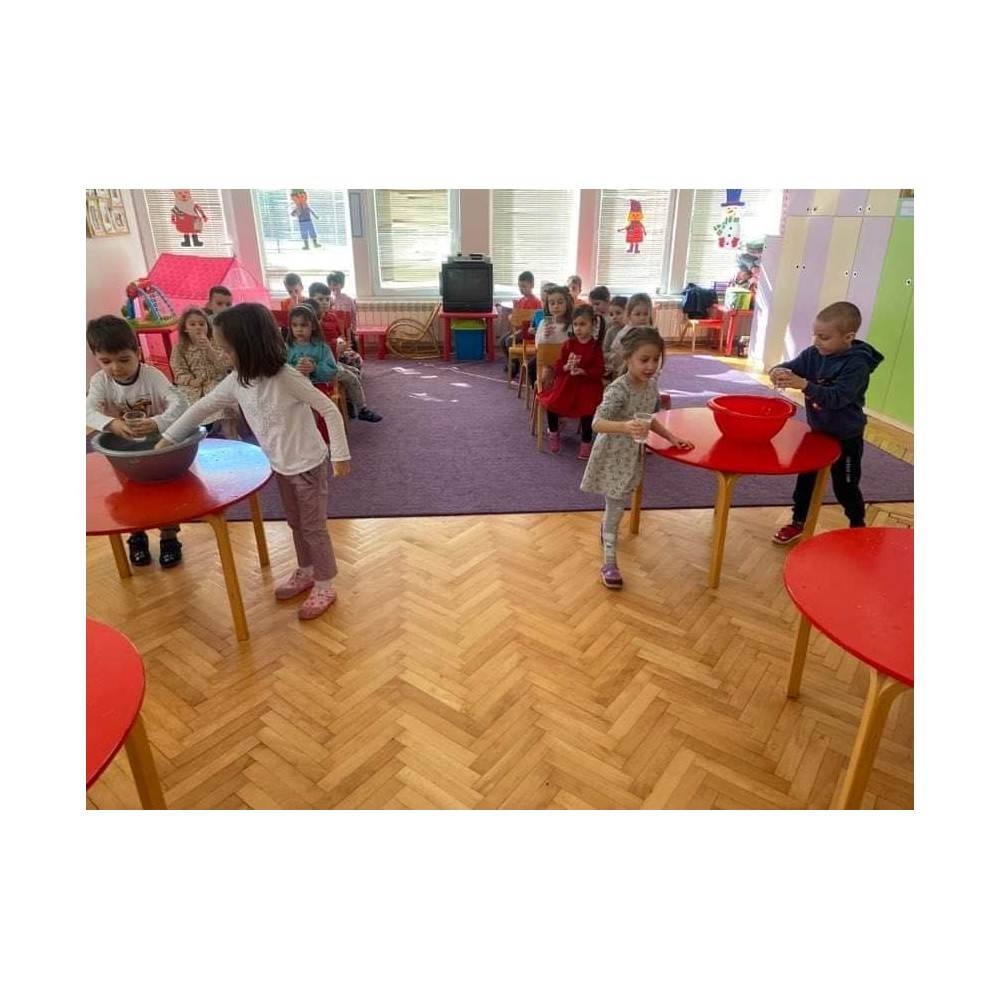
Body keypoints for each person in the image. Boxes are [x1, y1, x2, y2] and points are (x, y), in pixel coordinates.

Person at [157, 304, 350, 620]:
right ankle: (307, 570)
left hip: (308, 464)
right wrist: (167, 439)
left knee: (313, 527)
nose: (224, 357)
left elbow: (328, 409)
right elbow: (202, 407)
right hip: (281, 465)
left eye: (228, 350)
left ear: (248, 347)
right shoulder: (238, 380)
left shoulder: (286, 377)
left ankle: (325, 583)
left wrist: (340, 455)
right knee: (295, 523)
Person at [580, 326, 693, 589]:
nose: (651, 366)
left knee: (617, 502)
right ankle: (609, 562)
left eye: (656, 359)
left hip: (632, 456)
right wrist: (625, 426)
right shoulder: (618, 389)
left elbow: (648, 418)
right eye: (644, 359)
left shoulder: (651, 385)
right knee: (617, 505)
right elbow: (597, 423)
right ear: (627, 358)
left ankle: (606, 528)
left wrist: (671, 437)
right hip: (613, 455)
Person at [769, 301, 883, 543]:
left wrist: (804, 385)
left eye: (824, 337)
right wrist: (777, 370)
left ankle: (857, 525)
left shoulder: (858, 364)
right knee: (806, 480)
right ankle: (798, 521)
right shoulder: (813, 354)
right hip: (818, 433)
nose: (817, 341)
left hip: (847, 436)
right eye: (815, 335)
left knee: (846, 486)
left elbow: (837, 398)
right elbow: (791, 367)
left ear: (848, 337)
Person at [86, 315, 189, 568]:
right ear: (96, 358)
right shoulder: (100, 381)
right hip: (123, 452)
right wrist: (111, 423)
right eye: (105, 361)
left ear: (138, 353)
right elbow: (87, 411)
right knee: (129, 495)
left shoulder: (152, 376)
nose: (116, 368)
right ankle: (136, 536)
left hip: (156, 447)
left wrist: (158, 422)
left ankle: (169, 537)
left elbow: (180, 402)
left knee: (162, 493)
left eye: (124, 360)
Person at [538, 304, 605, 459]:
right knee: (552, 404)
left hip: (587, 386)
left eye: (583, 324)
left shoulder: (595, 347)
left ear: (593, 324)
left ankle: (586, 443)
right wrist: (566, 367)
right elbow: (558, 366)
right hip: (567, 383)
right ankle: (553, 433)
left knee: (588, 410)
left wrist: (584, 371)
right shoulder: (569, 344)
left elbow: (599, 370)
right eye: (575, 324)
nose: (578, 328)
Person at [301, 297, 381, 421]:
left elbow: (329, 350)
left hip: (330, 364)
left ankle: (349, 403)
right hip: (322, 371)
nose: (319, 322)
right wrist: (335, 347)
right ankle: (362, 410)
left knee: (355, 371)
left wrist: (337, 346)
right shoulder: (307, 338)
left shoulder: (316, 332)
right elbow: (320, 357)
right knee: (352, 377)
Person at [170, 306, 239, 438]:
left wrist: (209, 349)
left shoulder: (216, 343)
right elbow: (179, 371)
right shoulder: (180, 348)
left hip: (215, 382)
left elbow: (225, 367)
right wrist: (191, 380)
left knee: (224, 405)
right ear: (185, 329)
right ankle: (196, 436)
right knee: (184, 405)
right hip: (192, 386)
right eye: (192, 324)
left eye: (202, 324)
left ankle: (231, 435)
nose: (198, 327)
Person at [527, 285, 573, 389]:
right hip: (549, 366)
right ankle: (543, 396)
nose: (556, 306)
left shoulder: (573, 325)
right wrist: (545, 336)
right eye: (552, 303)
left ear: (567, 303)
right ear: (547, 306)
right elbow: (538, 347)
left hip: (568, 366)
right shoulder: (544, 323)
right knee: (544, 377)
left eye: (560, 302)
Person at [500, 270, 545, 373]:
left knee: (508, 341)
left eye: (524, 286)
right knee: (502, 341)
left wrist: (520, 318)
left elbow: (536, 320)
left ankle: (515, 365)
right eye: (520, 286)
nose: (521, 289)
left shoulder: (536, 302)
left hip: (528, 331)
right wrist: (515, 310)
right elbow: (515, 318)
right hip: (518, 329)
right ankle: (513, 362)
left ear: (532, 285)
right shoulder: (521, 300)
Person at [285, 304, 338, 384]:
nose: (299, 329)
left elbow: (332, 371)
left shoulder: (322, 348)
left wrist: (314, 368)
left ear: (313, 326)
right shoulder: (287, 347)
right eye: (294, 325)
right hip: (294, 387)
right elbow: (282, 371)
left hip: (317, 388)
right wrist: (295, 369)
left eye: (303, 325)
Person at [608, 292, 654, 376]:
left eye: (645, 314)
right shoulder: (626, 331)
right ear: (629, 315)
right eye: (637, 314)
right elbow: (615, 347)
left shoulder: (651, 331)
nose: (642, 318)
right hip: (626, 369)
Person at [326, 271, 359, 352]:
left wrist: (354, 331)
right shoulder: (328, 299)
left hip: (347, 330)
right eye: (330, 284)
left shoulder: (348, 299)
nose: (332, 287)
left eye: (335, 284)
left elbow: (353, 316)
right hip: (334, 330)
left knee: (349, 347)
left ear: (341, 285)